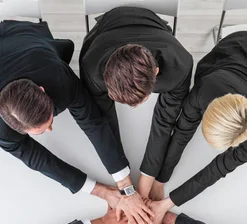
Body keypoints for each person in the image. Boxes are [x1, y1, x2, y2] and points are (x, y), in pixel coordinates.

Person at [0, 20, 152, 224]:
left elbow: (93, 122)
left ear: (43, 91)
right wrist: (102, 192)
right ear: (17, 129)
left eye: (50, 120)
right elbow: (38, 159)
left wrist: (126, 186)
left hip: (26, 35)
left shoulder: (60, 79)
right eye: (41, 131)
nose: (51, 130)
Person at [147, 31, 247, 224]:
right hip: (241, 44)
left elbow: (219, 168)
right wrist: (161, 178)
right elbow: (182, 132)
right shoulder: (204, 90)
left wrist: (168, 203)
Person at [79, 6, 193, 201]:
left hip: (154, 25)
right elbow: (103, 122)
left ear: (156, 73)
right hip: (105, 28)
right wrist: (124, 185)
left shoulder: (179, 67)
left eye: (139, 101)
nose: (133, 108)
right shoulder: (92, 68)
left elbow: (165, 122)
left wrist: (145, 183)